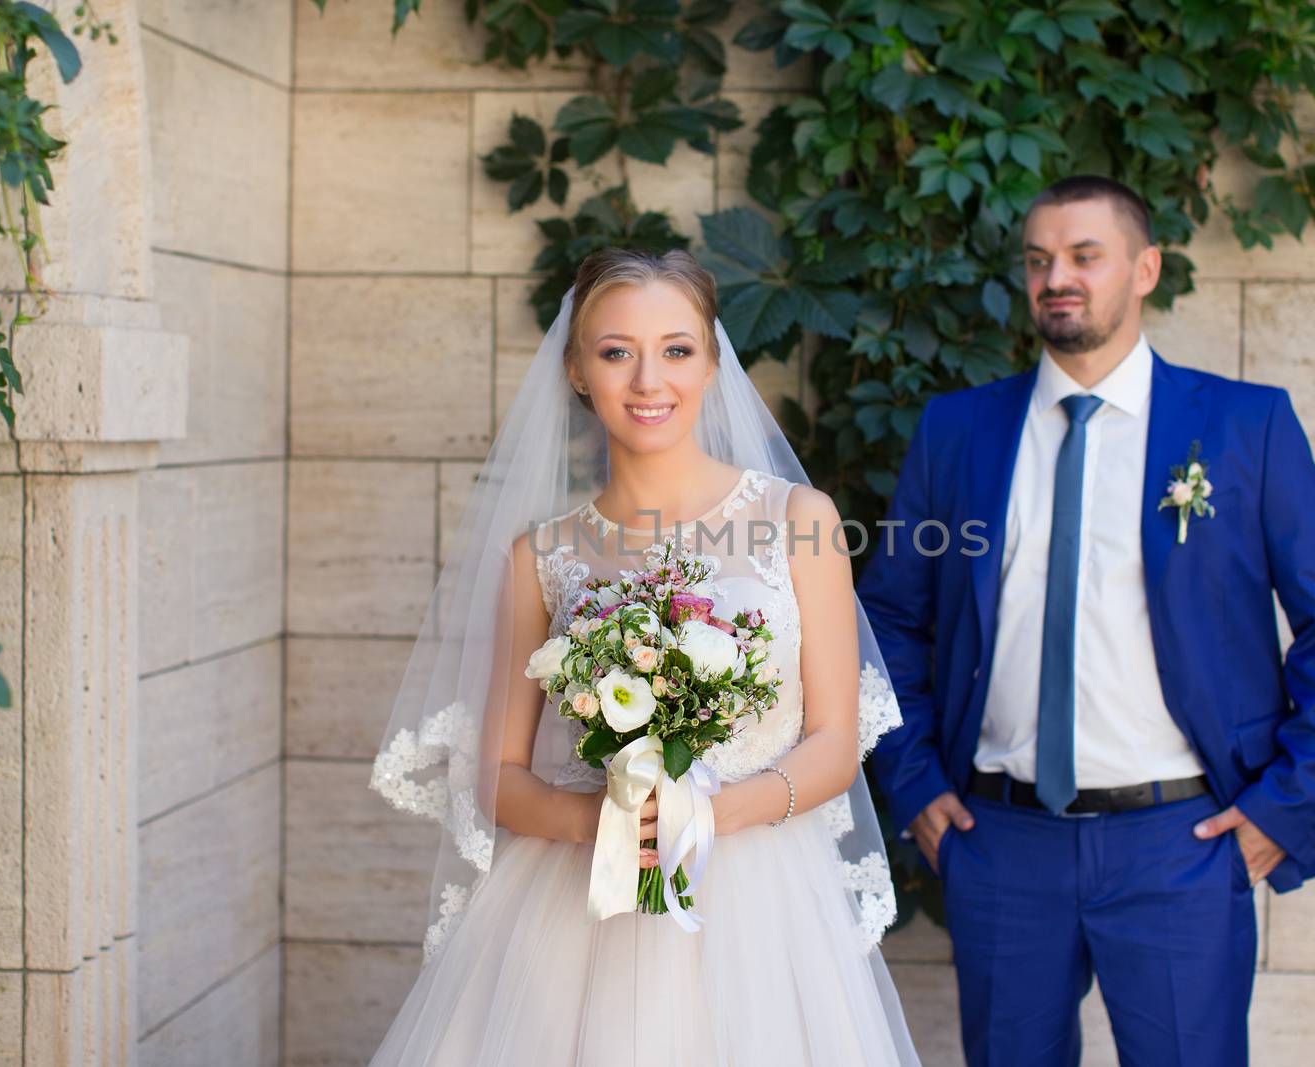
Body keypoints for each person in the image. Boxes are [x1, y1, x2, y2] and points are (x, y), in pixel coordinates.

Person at [859, 175, 1315, 1066]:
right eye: (1038, 260)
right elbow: (888, 623)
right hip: (999, 841)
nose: (1057, 276)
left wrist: (1282, 809)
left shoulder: (1245, 427)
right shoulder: (958, 433)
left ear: (1145, 268)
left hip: (1179, 843)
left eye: (1083, 256)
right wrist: (913, 786)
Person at [365, 248, 920, 1065]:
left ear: (711, 360)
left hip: (760, 901)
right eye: (617, 351)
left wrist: (705, 816)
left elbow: (836, 742)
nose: (648, 380)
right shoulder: (541, 555)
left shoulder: (798, 519)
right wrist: (604, 821)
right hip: (576, 903)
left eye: (677, 349)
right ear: (578, 370)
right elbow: (497, 775)